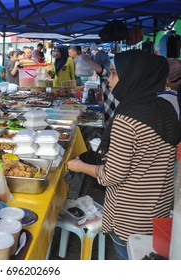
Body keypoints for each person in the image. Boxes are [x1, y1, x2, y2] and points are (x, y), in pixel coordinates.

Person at [67, 50, 180, 260]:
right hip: (158, 210)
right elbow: (150, 154)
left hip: (131, 216)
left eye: (113, 74)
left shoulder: (127, 119)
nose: (108, 80)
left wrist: (78, 166)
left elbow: (112, 176)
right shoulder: (166, 107)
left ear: (135, 76)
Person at [83, 51, 118, 124]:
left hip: (112, 101)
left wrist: (87, 59)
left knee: (111, 122)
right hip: (108, 101)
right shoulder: (109, 65)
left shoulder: (108, 66)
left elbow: (102, 71)